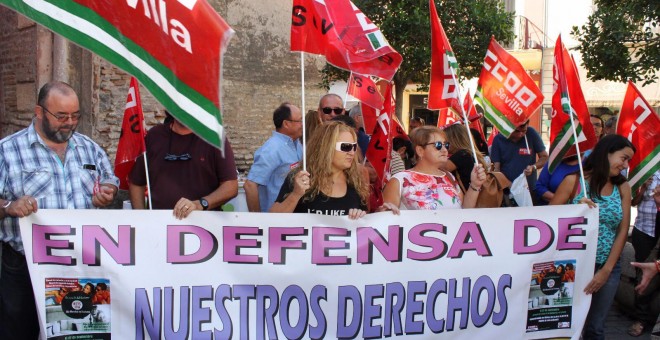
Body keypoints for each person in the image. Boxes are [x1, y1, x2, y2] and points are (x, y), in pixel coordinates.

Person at [0, 81, 119, 339]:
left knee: (79, 333)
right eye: (61, 116)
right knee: (20, 331)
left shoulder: (89, 147)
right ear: (39, 112)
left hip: (82, 265)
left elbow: (110, 178)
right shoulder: (7, 150)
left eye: (76, 116)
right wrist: (9, 206)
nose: (70, 123)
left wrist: (108, 191)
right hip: (25, 266)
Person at [550, 134, 635, 339]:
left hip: (607, 266)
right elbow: (548, 222)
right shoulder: (573, 182)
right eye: (623, 158)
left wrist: (606, 270)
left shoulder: (622, 187)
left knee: (595, 328)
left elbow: (622, 230)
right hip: (570, 266)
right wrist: (574, 212)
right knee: (565, 325)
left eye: (628, 161)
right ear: (607, 153)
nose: (625, 165)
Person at [129, 111, 238, 219]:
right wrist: (141, 217)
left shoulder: (215, 138)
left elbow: (230, 186)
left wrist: (200, 204)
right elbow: (136, 183)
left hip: (204, 225)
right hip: (159, 225)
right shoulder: (154, 136)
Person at [270, 121, 368, 219]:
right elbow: (273, 219)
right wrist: (295, 194)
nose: (351, 153)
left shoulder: (356, 180)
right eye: (345, 147)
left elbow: (366, 220)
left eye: (354, 146)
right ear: (326, 147)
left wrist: (364, 215)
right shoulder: (300, 178)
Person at [379, 126, 487, 213]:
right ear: (420, 150)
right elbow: (387, 219)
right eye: (438, 145)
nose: (444, 150)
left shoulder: (449, 177)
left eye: (446, 145)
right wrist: (385, 211)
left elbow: (464, 212)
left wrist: (475, 186)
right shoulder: (399, 180)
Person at [245, 103, 303, 212]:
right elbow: (250, 185)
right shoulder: (272, 149)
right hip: (274, 219)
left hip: (292, 215)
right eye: (299, 121)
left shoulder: (297, 145)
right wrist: (258, 220)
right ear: (286, 123)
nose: (302, 124)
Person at [629, 171, 660, 336]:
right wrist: (642, 188)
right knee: (643, 274)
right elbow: (633, 202)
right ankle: (640, 319)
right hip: (644, 230)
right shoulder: (645, 169)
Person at [491, 120, 548, 204]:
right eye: (517, 131)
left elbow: (545, 157)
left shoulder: (531, 133)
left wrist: (533, 167)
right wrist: (509, 184)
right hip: (507, 191)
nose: (521, 134)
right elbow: (496, 170)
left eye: (524, 131)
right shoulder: (498, 139)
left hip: (529, 190)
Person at [442, 124, 489, 190]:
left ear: (454, 140)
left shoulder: (461, 155)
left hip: (468, 195)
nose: (443, 145)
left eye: (445, 142)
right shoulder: (470, 153)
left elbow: (439, 169)